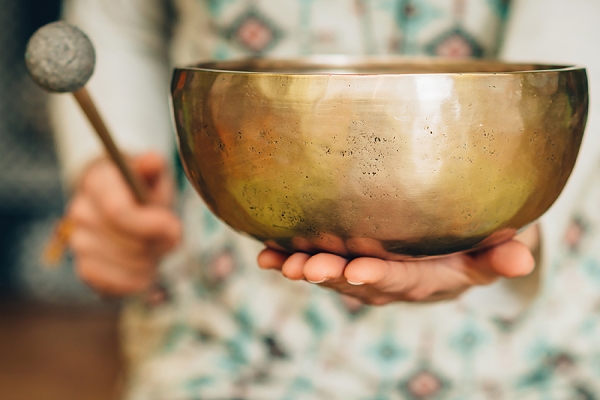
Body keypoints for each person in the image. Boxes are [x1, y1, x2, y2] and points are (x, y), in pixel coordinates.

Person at [50, 0, 600, 398]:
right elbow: (121, 20)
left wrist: (519, 217)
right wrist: (111, 170)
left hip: (543, 345)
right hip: (228, 332)